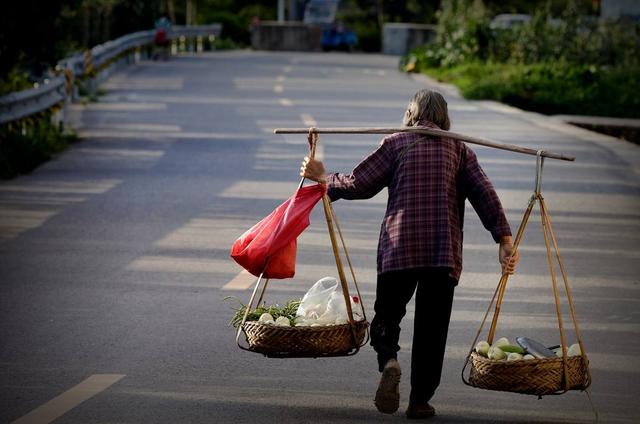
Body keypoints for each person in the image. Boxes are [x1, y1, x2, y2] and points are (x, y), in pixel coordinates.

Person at [300, 89, 519, 419]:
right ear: (445, 119)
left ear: (410, 114)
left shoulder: (396, 144)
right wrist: (503, 238)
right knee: (433, 330)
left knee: (387, 316)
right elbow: (484, 194)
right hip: (441, 254)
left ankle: (389, 360)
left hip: (399, 248)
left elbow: (359, 183)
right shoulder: (459, 148)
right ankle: (419, 401)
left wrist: (323, 179)